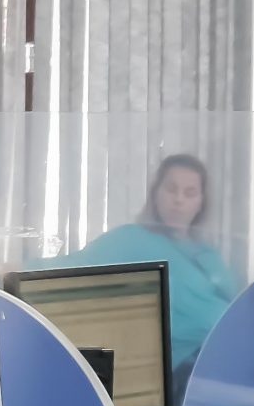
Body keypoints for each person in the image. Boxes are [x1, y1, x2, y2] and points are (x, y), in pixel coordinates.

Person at [68, 153, 240, 384]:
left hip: (216, 373)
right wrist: (10, 271)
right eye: (171, 189)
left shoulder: (209, 256)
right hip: (162, 380)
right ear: (156, 194)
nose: (178, 200)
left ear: (201, 202)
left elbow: (236, 311)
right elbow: (71, 267)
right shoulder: (131, 239)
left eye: (189, 193)